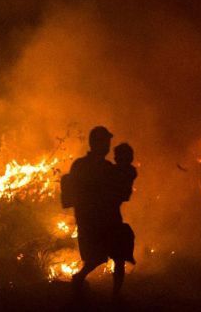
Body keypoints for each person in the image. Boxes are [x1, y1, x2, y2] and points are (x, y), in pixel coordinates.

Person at [64, 126, 136, 296]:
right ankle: (79, 279)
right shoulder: (85, 166)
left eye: (108, 142)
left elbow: (121, 193)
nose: (108, 145)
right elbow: (80, 194)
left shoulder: (106, 167)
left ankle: (115, 296)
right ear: (96, 143)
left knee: (118, 258)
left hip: (110, 220)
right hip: (93, 222)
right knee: (96, 258)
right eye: (105, 142)